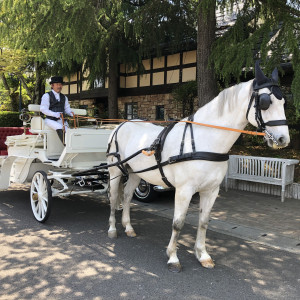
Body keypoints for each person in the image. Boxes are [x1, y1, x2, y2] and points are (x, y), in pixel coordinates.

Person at [40, 76, 74, 145]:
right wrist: (55, 114)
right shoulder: (46, 96)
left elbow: (67, 109)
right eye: (57, 84)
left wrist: (71, 113)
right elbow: (43, 109)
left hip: (62, 120)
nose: (59, 86)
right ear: (52, 85)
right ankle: (66, 146)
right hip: (50, 120)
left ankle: (72, 147)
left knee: (69, 131)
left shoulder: (64, 97)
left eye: (61, 84)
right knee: (60, 127)